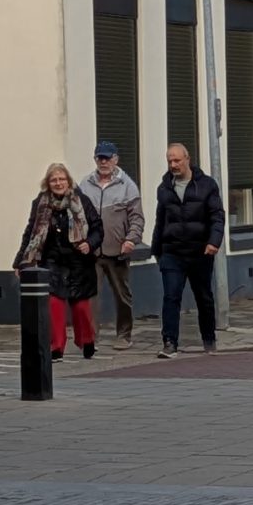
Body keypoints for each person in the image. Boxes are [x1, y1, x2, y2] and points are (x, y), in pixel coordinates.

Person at [14, 162, 103, 359]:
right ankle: (56, 347)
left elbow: (97, 228)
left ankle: (86, 341)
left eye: (62, 179)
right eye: (54, 180)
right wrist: (21, 261)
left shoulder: (82, 201)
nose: (58, 183)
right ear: (48, 183)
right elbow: (31, 232)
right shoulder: (40, 204)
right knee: (54, 303)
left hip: (79, 260)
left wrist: (89, 243)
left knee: (80, 306)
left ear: (68, 181)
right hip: (52, 260)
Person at [151, 140, 225, 357]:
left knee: (203, 296)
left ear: (187, 159)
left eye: (177, 160)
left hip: (200, 251)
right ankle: (169, 342)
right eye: (169, 161)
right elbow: (160, 220)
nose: (173, 165)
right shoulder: (164, 188)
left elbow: (217, 216)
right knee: (171, 296)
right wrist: (157, 250)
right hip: (172, 252)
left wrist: (214, 242)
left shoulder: (206, 185)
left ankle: (209, 339)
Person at [79, 142, 143, 348]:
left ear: (116, 159)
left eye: (107, 158)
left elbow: (137, 217)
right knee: (90, 297)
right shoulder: (85, 184)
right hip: (92, 252)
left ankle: (124, 335)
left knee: (122, 296)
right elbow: (77, 216)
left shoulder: (127, 185)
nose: (103, 162)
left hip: (118, 251)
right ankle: (90, 337)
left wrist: (131, 239)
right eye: (100, 158)